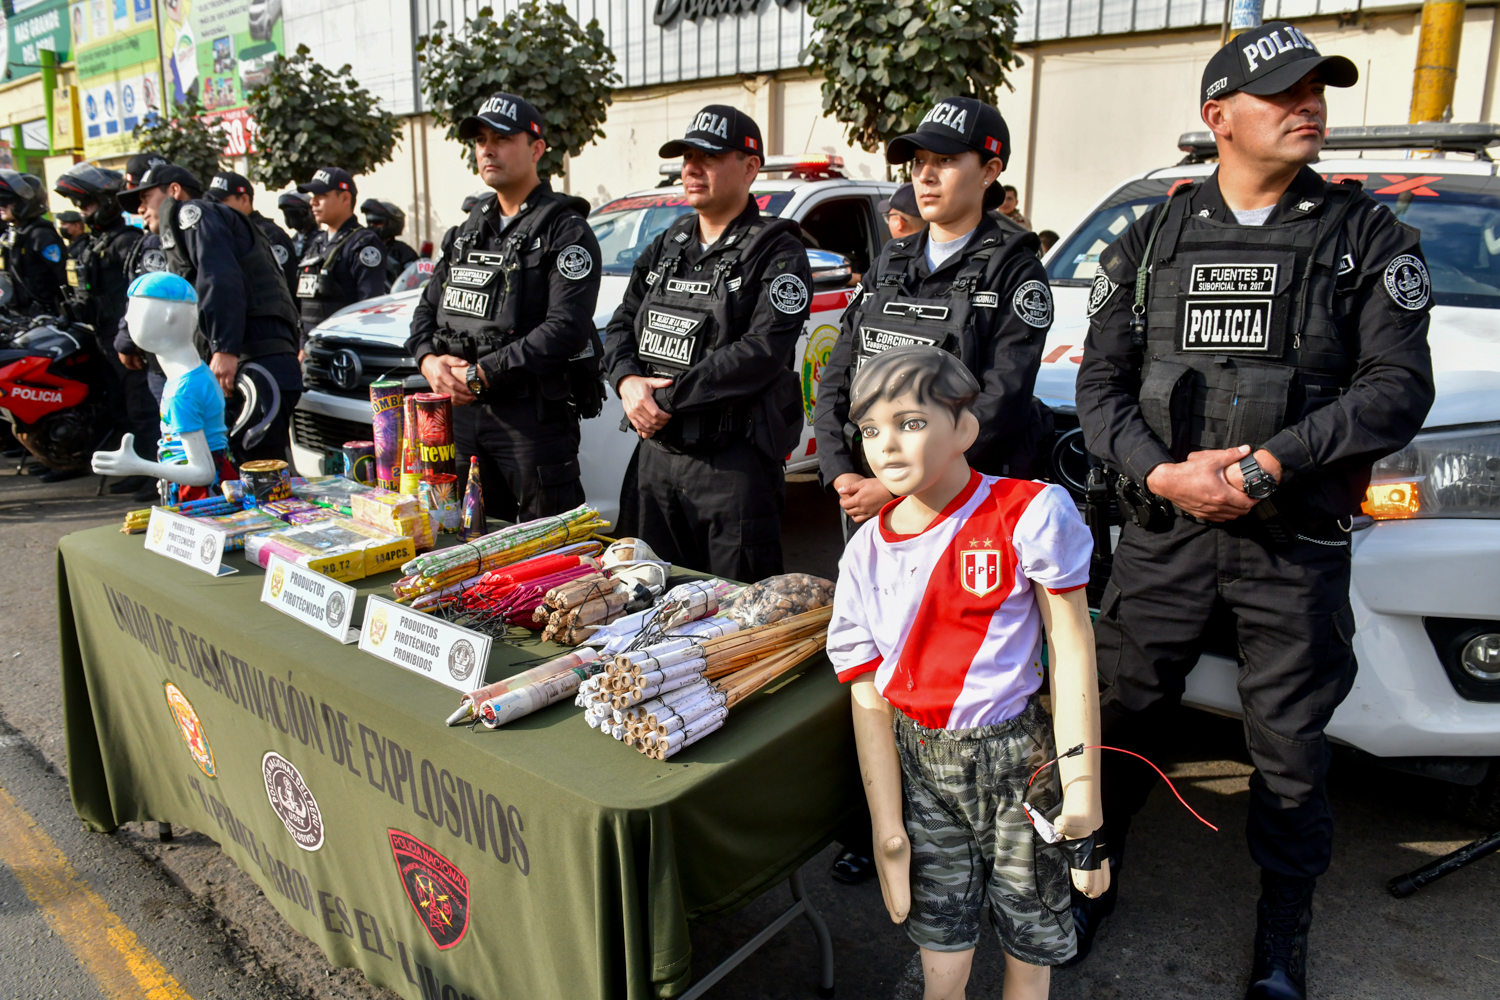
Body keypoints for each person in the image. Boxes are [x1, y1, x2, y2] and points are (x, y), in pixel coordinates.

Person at [1073, 24, 1434, 999]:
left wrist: (1273, 464)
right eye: (1283, 90)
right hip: (1164, 539)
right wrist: (1161, 475)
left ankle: (1283, 934)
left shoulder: (1368, 237)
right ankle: (1089, 875)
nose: (1307, 103)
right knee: (1124, 716)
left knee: (1287, 751)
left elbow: (1400, 388)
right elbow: (1099, 387)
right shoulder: (1150, 237)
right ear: (1217, 117)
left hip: (1292, 545)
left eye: (1317, 87)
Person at [828, 345, 1107, 1000]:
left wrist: (1084, 790)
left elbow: (1073, 652)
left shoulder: (1027, 514)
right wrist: (886, 826)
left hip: (1018, 762)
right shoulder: (866, 552)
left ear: (964, 427)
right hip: (922, 767)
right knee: (942, 952)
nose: (886, 447)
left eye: (910, 422)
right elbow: (867, 694)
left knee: (1029, 945)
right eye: (870, 429)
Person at [814, 96, 1052, 540]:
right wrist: (838, 470)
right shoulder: (891, 260)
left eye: (945, 160)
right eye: (919, 161)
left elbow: (1001, 401)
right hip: (863, 498)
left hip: (956, 508)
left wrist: (892, 486)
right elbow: (839, 372)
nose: (924, 174)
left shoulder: (1013, 268)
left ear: (989, 171)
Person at [603, 104, 811, 580]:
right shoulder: (668, 243)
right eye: (686, 157)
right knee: (643, 595)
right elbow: (621, 323)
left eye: (709, 157)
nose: (692, 168)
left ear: (750, 167)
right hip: (655, 460)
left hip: (730, 467)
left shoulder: (778, 250)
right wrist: (627, 382)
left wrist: (662, 398)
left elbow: (761, 352)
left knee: (737, 612)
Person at [407, 92, 603, 522]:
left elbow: (565, 327)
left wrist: (482, 376)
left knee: (549, 556)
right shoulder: (468, 230)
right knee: (465, 544)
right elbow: (424, 312)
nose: (487, 149)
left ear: (536, 149)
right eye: (480, 140)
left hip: (530, 422)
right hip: (460, 418)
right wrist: (428, 363)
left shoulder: (565, 231)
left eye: (501, 138)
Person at [119, 162, 305, 465]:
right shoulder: (192, 225)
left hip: (254, 364)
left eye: (145, 198)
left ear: (174, 191)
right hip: (250, 364)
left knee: (260, 475)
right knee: (241, 474)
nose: (140, 208)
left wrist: (225, 348)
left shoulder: (192, 214)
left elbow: (219, 278)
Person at [54, 162, 153, 495]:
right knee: (120, 405)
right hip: (99, 335)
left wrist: (131, 340)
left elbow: (139, 293)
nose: (83, 211)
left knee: (142, 406)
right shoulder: (90, 243)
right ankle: (132, 465)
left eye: (88, 203)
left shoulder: (127, 241)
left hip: (127, 338)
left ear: (108, 201)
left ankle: (153, 472)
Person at [294, 166, 388, 337]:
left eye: (321, 196)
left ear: (345, 198)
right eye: (313, 196)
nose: (312, 202)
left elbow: (369, 305)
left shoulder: (362, 243)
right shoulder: (318, 242)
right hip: (312, 345)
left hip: (342, 347)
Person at [207, 171, 298, 294]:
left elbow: (287, 283)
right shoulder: (227, 233)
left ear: (244, 199)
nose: (215, 207)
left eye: (222, 201)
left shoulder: (269, 234)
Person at [0, 171, 66, 317]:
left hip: (44, 317)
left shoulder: (40, 235)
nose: (1, 206)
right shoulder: (9, 234)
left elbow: (63, 277)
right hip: (15, 315)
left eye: (7, 201)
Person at [361, 197, 421, 284]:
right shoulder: (364, 250)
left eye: (377, 222)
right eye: (370, 222)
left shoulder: (403, 251)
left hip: (396, 296)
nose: (372, 226)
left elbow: (417, 277)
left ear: (391, 224)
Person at [278, 191, 319, 259]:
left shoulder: (319, 240)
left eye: (294, 214)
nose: (292, 219)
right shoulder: (291, 241)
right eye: (288, 215)